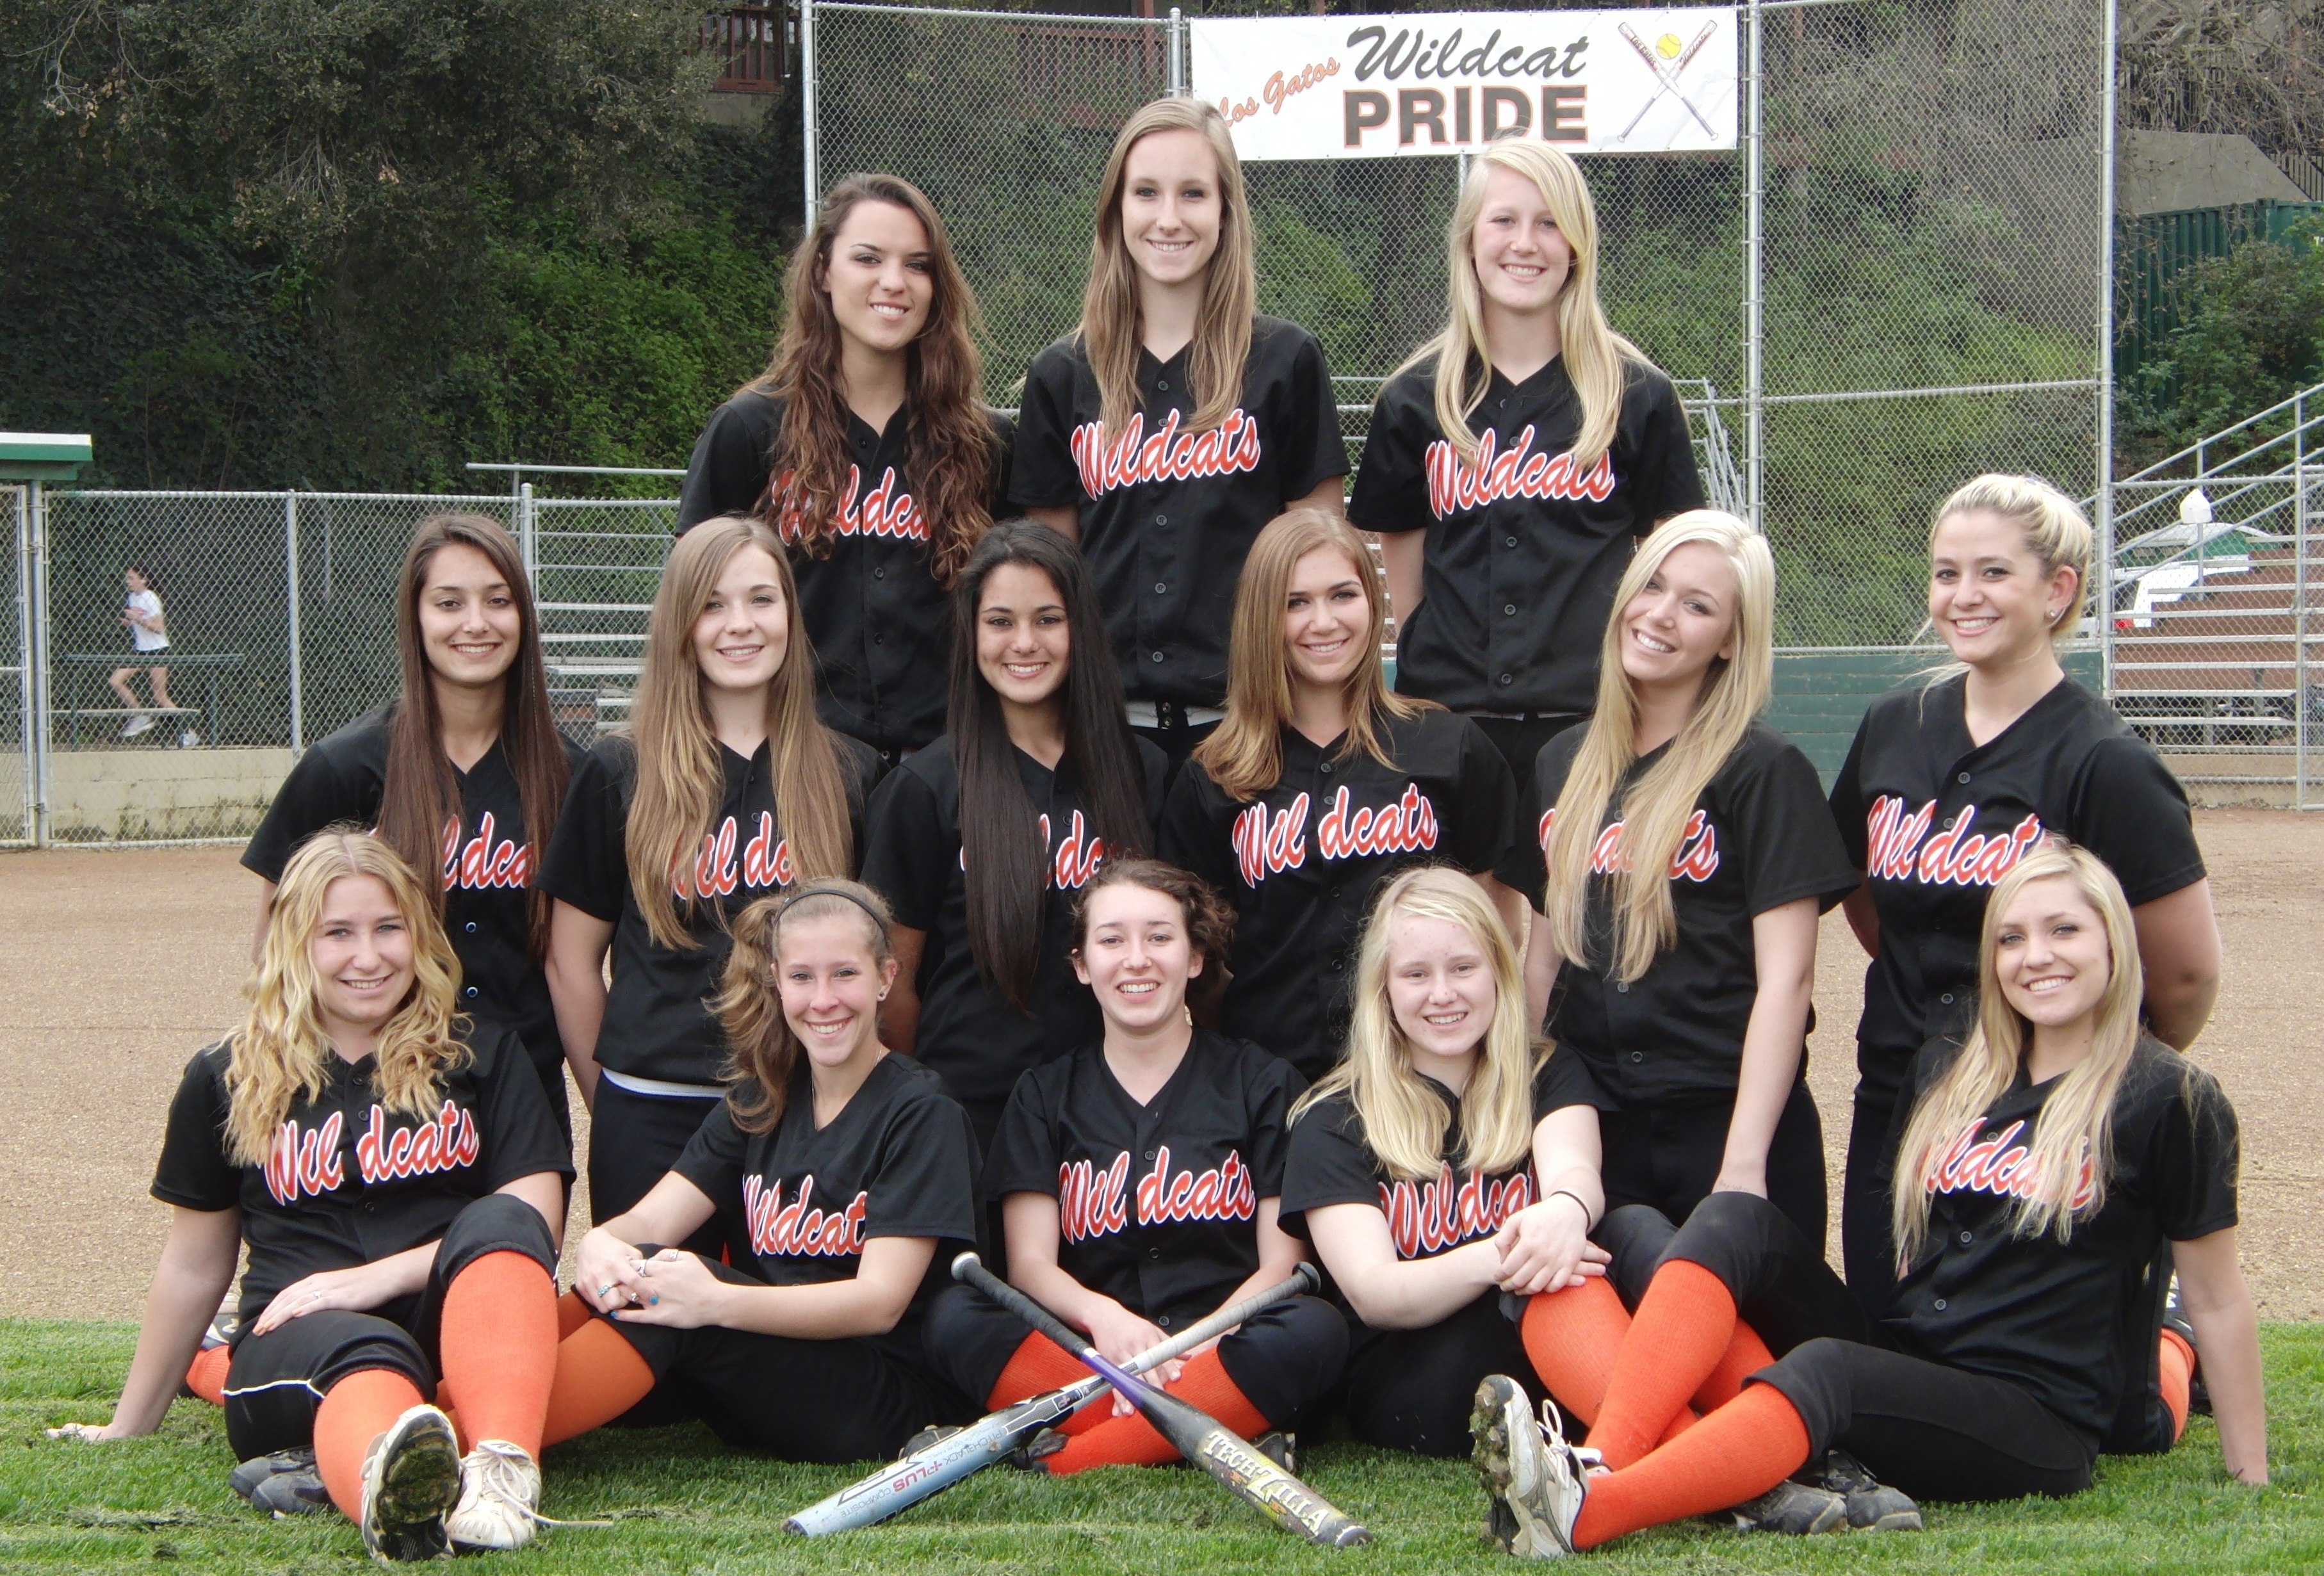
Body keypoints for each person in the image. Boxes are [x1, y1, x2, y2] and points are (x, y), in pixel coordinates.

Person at [1467, 843, 2266, 1556]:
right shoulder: (1955, 1065)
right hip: (1917, 1356)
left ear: (2112, 944)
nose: (2036, 956)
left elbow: (2219, 1294)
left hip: (2034, 1414)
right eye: (2010, 937)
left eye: (2064, 930)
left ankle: (1589, 1510)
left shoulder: (2167, 1097)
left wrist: (2250, 1475)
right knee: (1728, 1218)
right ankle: (1600, 1459)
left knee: (1829, 1371)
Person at [48, 834, 574, 1559]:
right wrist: (128, 1423)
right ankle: (392, 1502)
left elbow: (532, 1223)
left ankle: (497, 1478)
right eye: (338, 933)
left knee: (502, 1218)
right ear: (294, 942)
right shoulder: (228, 1075)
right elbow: (195, 1265)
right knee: (365, 1349)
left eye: (388, 928)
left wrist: (374, 1278)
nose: (369, 956)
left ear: (420, 936)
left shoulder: (479, 1051)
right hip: (298, 1341)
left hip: (450, 1324)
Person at [1829, 474, 2220, 1315]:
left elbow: (2184, 976)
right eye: (1945, 573)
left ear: (2057, 590)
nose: (1962, 595)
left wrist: (2089, 1063)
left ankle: (2170, 1341)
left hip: (2034, 1106)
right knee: (1883, 1326)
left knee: (2021, 1351)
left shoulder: (2106, 761)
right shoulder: (1894, 725)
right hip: (1895, 1085)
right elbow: (1862, 890)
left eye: (1993, 572)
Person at [1494, 512, 1855, 1249]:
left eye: (1696, 605)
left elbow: (1785, 981)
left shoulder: (1763, 770)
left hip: (1727, 1122)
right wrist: (1521, 1103)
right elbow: (1544, 958)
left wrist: (1742, 1165)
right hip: (1597, 1126)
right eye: (1651, 586)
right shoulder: (1562, 763)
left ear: (1728, 640)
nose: (1660, 614)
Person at [534, 882, 983, 1463]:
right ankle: (455, 1409)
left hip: (890, 1396)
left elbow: (879, 1303)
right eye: (802, 977)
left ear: (885, 977)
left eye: (845, 973)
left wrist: (714, 1300)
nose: (823, 999)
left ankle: (492, 1437)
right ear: (776, 980)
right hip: (782, 1368)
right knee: (642, 1263)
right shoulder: (762, 1098)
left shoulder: (921, 1112)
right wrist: (598, 1243)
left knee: (674, 1284)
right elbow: (648, 1222)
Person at [922, 859, 1345, 1472]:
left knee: (1313, 1328)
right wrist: (1106, 1320)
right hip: (1088, 1356)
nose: (1136, 959)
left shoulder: (1261, 1082)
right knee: (954, 1316)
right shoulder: (1043, 1093)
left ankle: (1061, 1460)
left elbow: (1281, 1266)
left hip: (1223, 1348)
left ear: (1195, 957)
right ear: (1081, 963)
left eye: (1159, 936)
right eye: (1112, 940)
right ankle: (1209, 1431)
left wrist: (1193, 1344)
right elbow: (1030, 1265)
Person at [542, 515, 882, 1246]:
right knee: (650, 1312)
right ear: (681, 624)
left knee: (782, 1312)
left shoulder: (850, 772)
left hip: (799, 1105)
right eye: (713, 604)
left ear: (790, 613)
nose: (740, 624)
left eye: (761, 599)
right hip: (653, 1108)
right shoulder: (619, 769)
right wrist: (615, 1099)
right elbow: (570, 960)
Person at [1351, 139, 1706, 803]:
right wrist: (1435, 650)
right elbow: (1400, 548)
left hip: (1591, 718)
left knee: (1576, 878)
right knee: (1453, 876)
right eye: (1504, 220)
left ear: (1576, 245)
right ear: (1468, 239)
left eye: (1549, 223)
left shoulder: (1635, 394)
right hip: (1449, 717)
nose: (1525, 243)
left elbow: (1673, 555)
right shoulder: (1414, 396)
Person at [1009, 97, 1347, 776]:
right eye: (1146, 192)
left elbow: (1317, 559)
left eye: (1193, 193)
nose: (1168, 218)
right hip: (1105, 731)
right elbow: (1050, 578)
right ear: (1115, 210)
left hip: (1251, 728)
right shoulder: (1062, 374)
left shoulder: (1283, 361)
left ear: (1225, 211)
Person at [243, 513, 583, 1130]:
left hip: (524, 1092)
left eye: (498, 600)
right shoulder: (346, 766)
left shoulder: (569, 775)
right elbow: (278, 937)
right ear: (416, 616)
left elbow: (583, 958)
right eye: (449, 603)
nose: (475, 623)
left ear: (523, 616)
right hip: (380, 1094)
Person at [1162, 508, 1520, 1080]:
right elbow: (1199, 960)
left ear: (1371, 603)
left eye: (1342, 594)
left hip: (1421, 1074)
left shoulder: (1449, 747)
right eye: (1295, 602)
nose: (1323, 621)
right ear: (1260, 617)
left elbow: (1494, 922)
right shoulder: (1214, 773)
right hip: (1271, 1079)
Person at [677, 174, 1015, 765]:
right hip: (796, 765)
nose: (894, 281)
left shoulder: (986, 443)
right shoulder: (751, 429)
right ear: (823, 273)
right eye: (868, 258)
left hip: (947, 769)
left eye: (917, 265)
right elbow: (689, 603)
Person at [1278, 866, 1608, 1457]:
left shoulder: (1545, 1071)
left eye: (1462, 967)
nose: (1442, 993)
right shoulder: (1332, 1118)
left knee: (1630, 1235)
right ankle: (1661, 1454)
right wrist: (1511, 1253)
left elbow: (1575, 1171)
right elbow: (1376, 1293)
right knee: (1551, 1282)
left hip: (1541, 1332)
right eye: (1415, 974)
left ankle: (1664, 1448)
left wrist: (1564, 1210)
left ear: (1499, 970)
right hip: (1414, 1373)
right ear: (1383, 987)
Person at [860, 521, 1166, 1151]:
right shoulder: (925, 787)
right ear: (971, 633)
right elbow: (892, 985)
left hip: (1118, 1113)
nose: (1024, 643)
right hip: (971, 1115)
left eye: (1047, 619)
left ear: (1080, 627)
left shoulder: (1146, 773)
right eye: (999, 621)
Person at [110, 564, 177, 739]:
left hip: (158, 652)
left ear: (144, 580)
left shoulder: (151, 598)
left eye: (132, 578)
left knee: (160, 697)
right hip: (141, 652)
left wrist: (137, 620)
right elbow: (141, 623)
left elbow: (159, 628)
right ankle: (140, 716)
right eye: (128, 578)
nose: (128, 581)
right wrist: (130, 623)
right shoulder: (132, 597)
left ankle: (187, 731)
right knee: (116, 680)